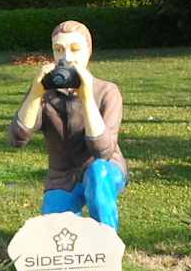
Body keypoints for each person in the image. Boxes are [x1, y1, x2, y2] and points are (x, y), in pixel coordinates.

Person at [8, 20, 128, 229]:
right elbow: (17, 139)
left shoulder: (107, 91)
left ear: (88, 51)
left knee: (98, 175)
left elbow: (103, 151)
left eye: (75, 49)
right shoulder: (45, 93)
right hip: (62, 177)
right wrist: (36, 93)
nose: (67, 58)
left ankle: (108, 238)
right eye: (59, 50)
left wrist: (87, 97)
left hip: (104, 169)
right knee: (56, 230)